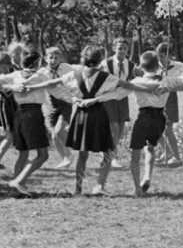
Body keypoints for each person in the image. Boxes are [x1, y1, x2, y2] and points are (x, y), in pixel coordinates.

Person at [79, 51, 183, 196]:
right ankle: (147, 176)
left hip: (144, 118)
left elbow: (116, 94)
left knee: (135, 156)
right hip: (160, 119)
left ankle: (137, 189)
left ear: (141, 67)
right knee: (150, 148)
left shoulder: (137, 81)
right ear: (157, 65)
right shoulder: (166, 80)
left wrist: (94, 100)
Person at [62, 45, 159, 196]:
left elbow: (55, 84)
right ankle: (99, 185)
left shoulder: (75, 74)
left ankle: (78, 188)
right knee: (108, 151)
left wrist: (73, 98)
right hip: (98, 115)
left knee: (82, 154)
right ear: (100, 60)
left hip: (81, 116)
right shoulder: (105, 76)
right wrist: (149, 89)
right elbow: (127, 85)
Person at [0, 51, 53, 197]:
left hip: (18, 114)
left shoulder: (14, 76)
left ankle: (16, 186)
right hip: (33, 114)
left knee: (23, 152)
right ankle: (18, 181)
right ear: (37, 63)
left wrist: (9, 87)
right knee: (42, 155)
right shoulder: (41, 75)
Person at [39, 46, 74, 169]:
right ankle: (65, 157)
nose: (53, 60)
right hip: (51, 104)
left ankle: (68, 155)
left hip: (66, 102)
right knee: (54, 135)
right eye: (50, 57)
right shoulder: (42, 73)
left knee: (59, 131)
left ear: (60, 58)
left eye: (56, 57)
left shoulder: (67, 68)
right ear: (45, 59)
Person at [103, 37, 135, 168]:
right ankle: (112, 157)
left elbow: (133, 78)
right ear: (114, 48)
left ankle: (109, 152)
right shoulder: (107, 63)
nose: (122, 51)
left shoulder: (130, 64)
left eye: (124, 48)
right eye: (119, 48)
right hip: (109, 97)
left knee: (121, 128)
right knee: (114, 127)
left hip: (123, 98)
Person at [155, 42, 183, 166]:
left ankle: (177, 157)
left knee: (168, 129)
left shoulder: (178, 66)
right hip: (157, 98)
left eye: (163, 56)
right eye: (159, 56)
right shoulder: (155, 66)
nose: (161, 59)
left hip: (170, 98)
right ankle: (167, 152)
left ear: (168, 55)